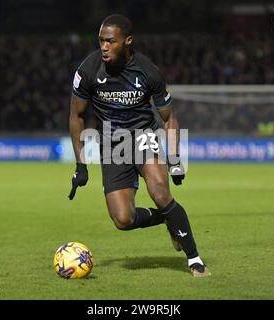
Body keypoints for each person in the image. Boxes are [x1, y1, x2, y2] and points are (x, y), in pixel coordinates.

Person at [68, 14, 210, 277]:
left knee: (160, 191)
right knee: (123, 220)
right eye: (101, 40)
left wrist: (175, 159)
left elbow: (169, 118)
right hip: (112, 143)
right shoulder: (88, 70)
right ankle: (167, 219)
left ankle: (194, 260)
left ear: (127, 41)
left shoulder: (148, 71)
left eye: (111, 41)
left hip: (143, 135)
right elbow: (75, 116)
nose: (104, 46)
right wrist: (80, 164)